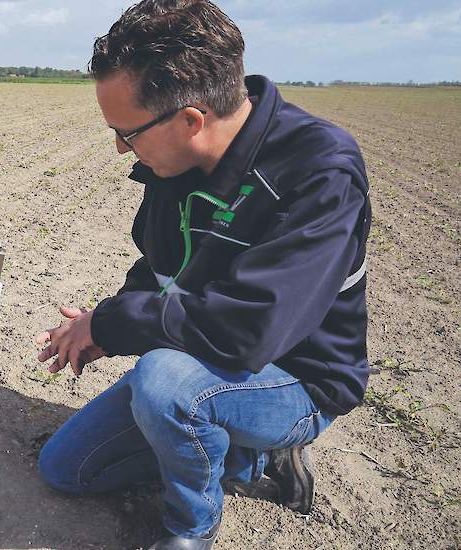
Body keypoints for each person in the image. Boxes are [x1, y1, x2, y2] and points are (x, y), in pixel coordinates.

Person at [35, 1, 371, 548]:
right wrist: (106, 324)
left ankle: (194, 524)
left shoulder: (319, 171)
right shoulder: (176, 159)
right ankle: (236, 457)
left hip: (295, 377)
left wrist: (117, 324)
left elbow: (248, 332)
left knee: (166, 384)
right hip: (202, 360)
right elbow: (159, 265)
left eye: (127, 131)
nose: (121, 146)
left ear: (192, 119)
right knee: (66, 469)